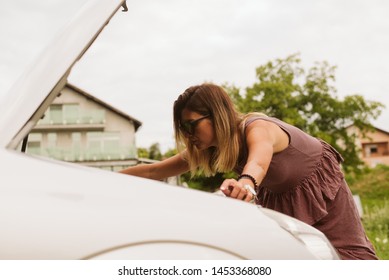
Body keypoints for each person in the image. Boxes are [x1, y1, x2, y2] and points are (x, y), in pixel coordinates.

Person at [119, 83, 378, 260]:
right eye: (182, 128)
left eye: (191, 125)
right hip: (279, 196)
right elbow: (153, 171)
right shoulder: (211, 147)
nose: (188, 134)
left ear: (216, 115)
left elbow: (258, 161)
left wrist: (246, 181)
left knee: (350, 259)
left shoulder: (256, 128)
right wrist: (97, 180)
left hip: (319, 187)